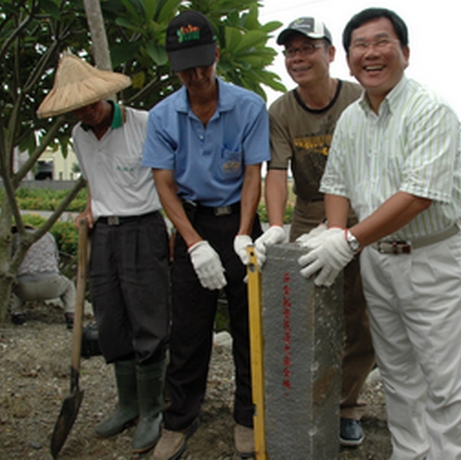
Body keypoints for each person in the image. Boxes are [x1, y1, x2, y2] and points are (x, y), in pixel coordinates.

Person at [297, 8, 461, 460]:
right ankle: (410, 452)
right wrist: (336, 234)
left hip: (432, 259)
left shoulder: (430, 111)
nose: (371, 53)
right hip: (379, 261)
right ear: (349, 56)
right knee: (397, 373)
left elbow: (418, 195)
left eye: (382, 43)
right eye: (361, 45)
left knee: (445, 380)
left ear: (406, 53)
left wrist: (349, 241)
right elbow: (336, 183)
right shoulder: (353, 120)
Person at [141, 10, 268, 460]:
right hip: (192, 222)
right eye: (185, 68)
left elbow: (254, 172)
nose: (196, 76)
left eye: (202, 64)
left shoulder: (249, 106)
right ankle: (179, 419)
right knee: (190, 330)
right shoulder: (163, 116)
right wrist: (193, 242)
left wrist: (241, 234)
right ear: (174, 66)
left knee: (248, 325)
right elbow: (164, 183)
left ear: (216, 55)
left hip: (238, 223)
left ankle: (248, 416)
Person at [36, 53, 171, 454]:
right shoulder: (79, 134)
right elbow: (97, 181)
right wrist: (91, 207)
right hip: (104, 236)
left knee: (148, 320)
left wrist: (174, 229)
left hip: (144, 228)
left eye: (92, 103)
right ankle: (127, 404)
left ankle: (151, 411)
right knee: (111, 318)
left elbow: (169, 179)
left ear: (107, 95)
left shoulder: (144, 124)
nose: (87, 112)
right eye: (78, 108)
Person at [254, 16, 375, 448]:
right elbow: (277, 171)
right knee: (306, 310)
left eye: (308, 48)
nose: (298, 58)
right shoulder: (281, 111)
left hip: (363, 212)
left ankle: (346, 405)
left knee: (358, 314)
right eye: (290, 51)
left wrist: (341, 226)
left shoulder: (360, 99)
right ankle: (305, 401)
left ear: (330, 54)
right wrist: (275, 226)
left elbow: (373, 167)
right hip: (307, 214)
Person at [0, 225, 77, 329]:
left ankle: (18, 314)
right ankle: (71, 314)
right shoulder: (48, 236)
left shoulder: (12, 240)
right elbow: (56, 259)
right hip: (50, 286)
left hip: (24, 290)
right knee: (68, 285)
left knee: (15, 283)